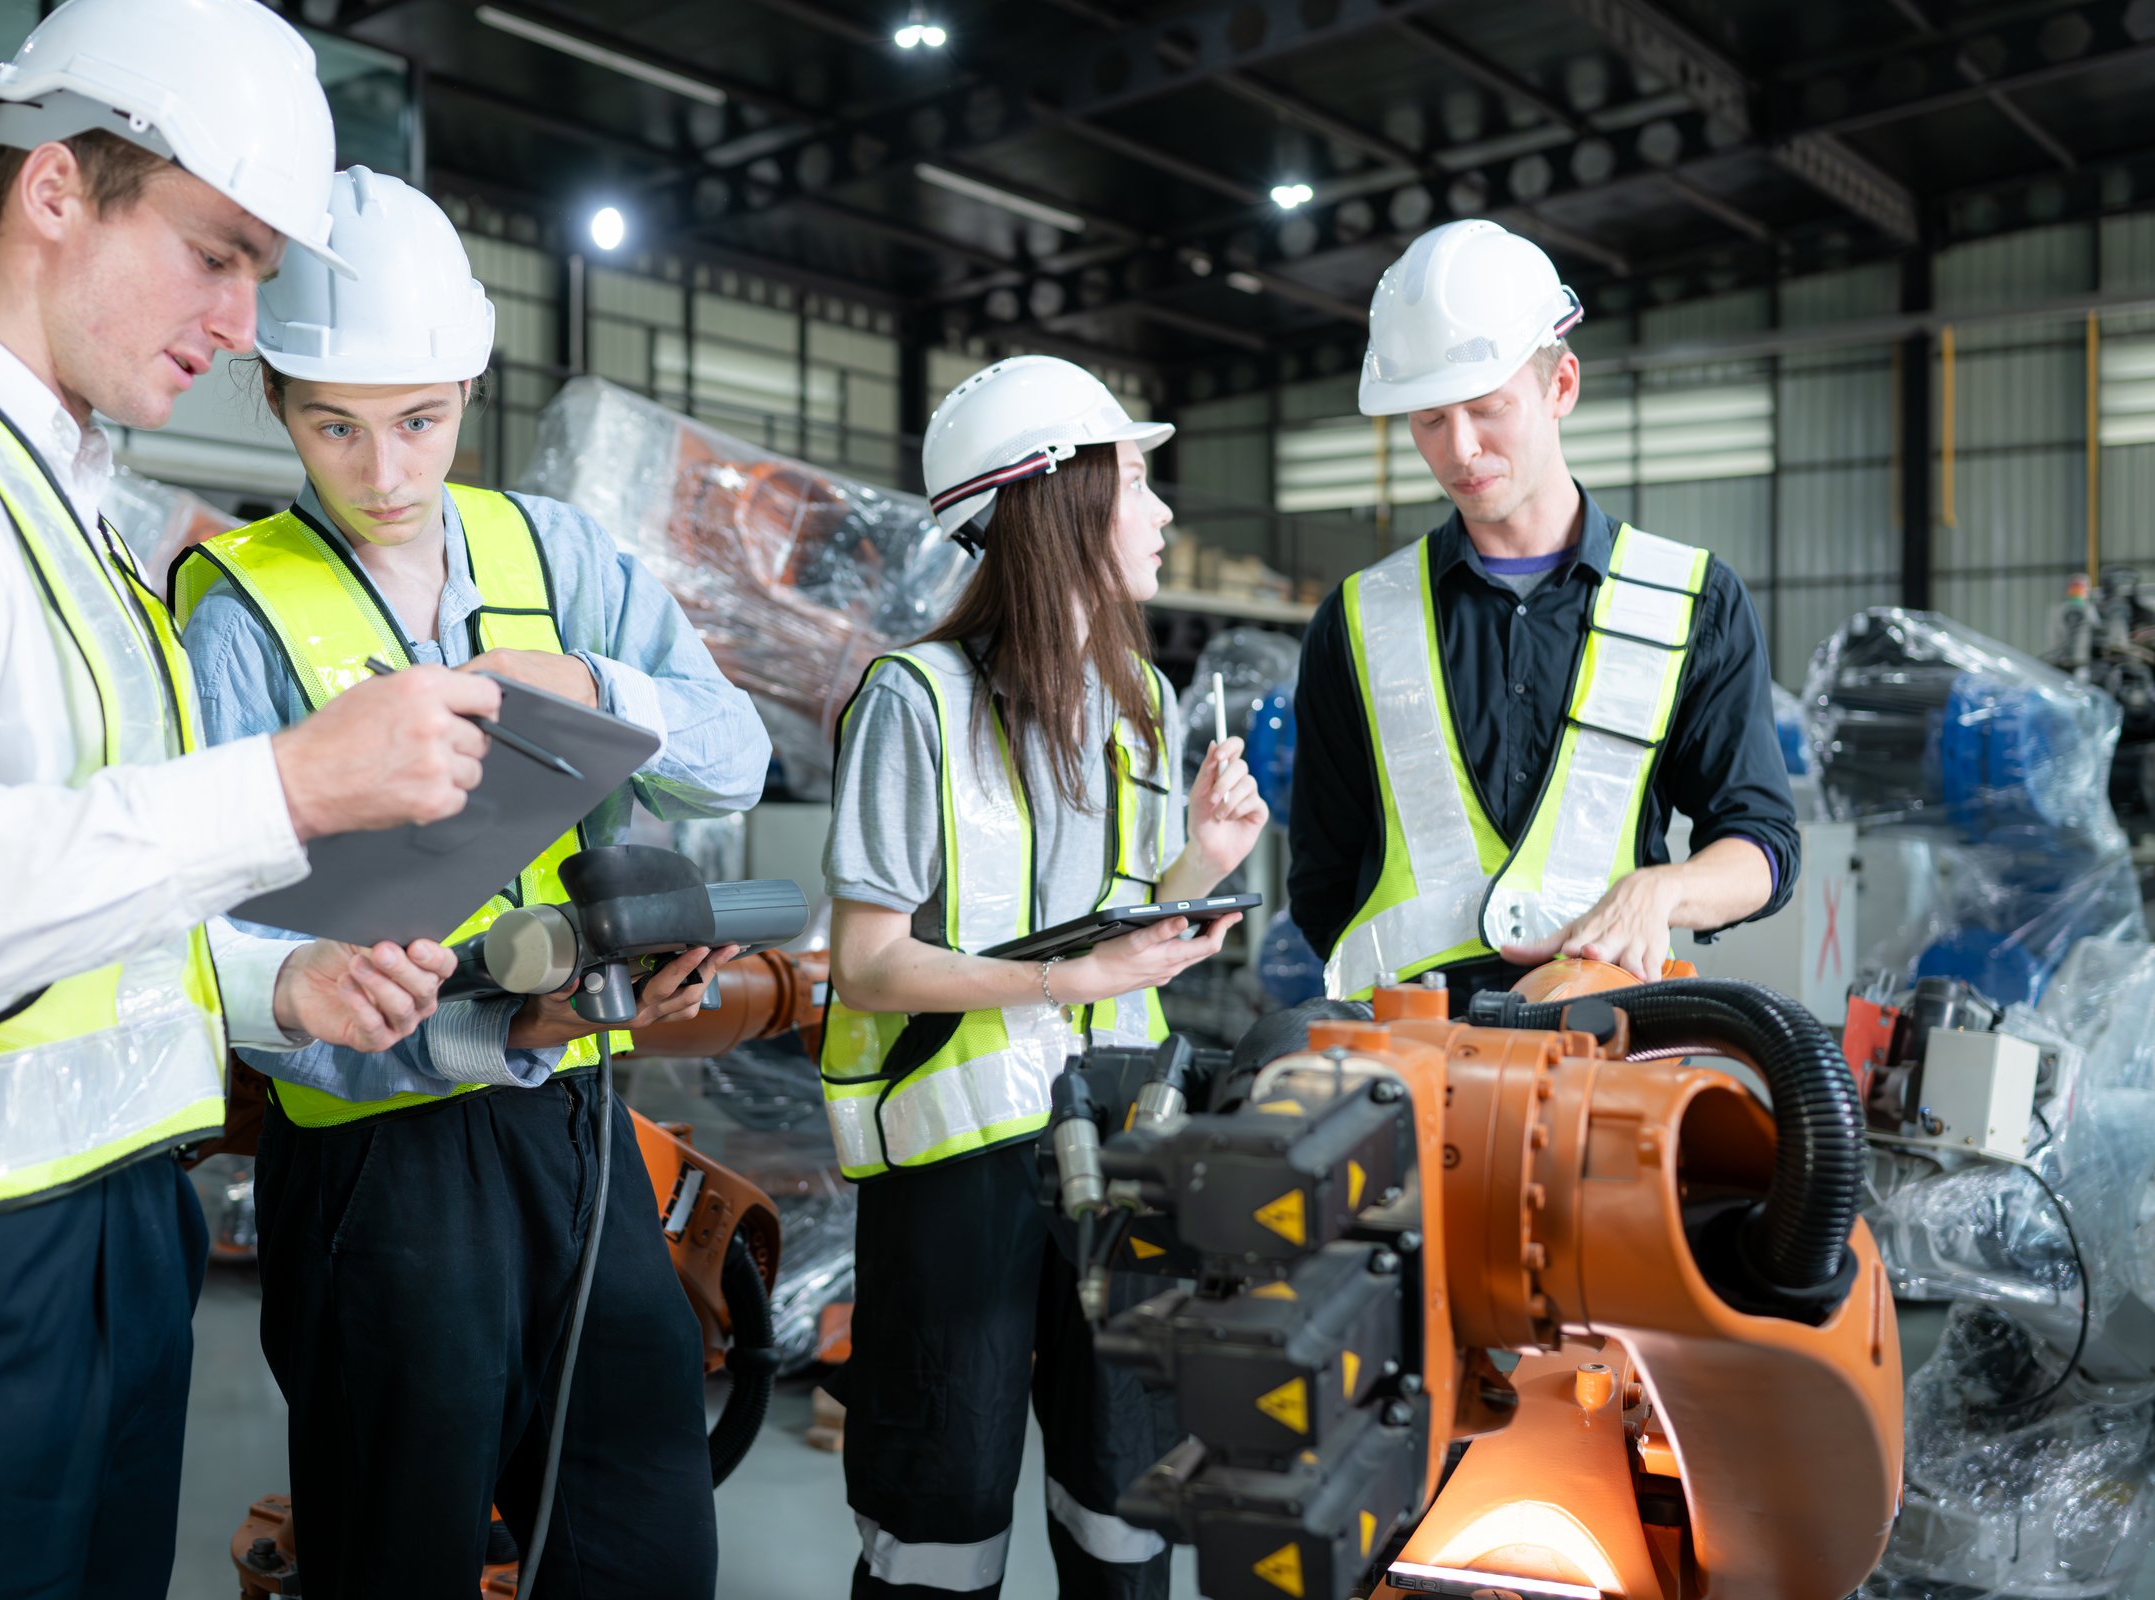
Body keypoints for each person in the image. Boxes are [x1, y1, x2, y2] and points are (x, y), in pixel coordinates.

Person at [0, 3, 500, 1595]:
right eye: (216, 254)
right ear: (52, 193)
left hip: (96, 1252)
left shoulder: (70, 517)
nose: (241, 326)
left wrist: (270, 976)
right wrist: (289, 784)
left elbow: (72, 898)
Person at [174, 166, 770, 1598]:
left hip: (574, 1132)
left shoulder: (554, 556)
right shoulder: (238, 609)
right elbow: (232, 957)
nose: (384, 472)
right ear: (273, 396)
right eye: (337, 425)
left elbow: (734, 759)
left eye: (421, 422)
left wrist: (587, 683)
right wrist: (485, 1026)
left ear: (469, 384)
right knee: (399, 1558)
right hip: (378, 1169)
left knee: (640, 1539)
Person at [819, 355, 1269, 1598]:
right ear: (1058, 500)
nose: (1165, 512)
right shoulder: (914, 701)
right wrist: (1066, 987)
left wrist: (1205, 866)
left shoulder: (1143, 702)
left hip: (1118, 1156)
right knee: (940, 1521)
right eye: (1137, 478)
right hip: (956, 1178)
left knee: (1125, 1505)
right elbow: (865, 962)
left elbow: (1123, 935)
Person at [1289, 219, 1800, 1006]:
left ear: (1560, 387)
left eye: (1487, 408)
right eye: (1429, 420)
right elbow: (1323, 882)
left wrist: (1661, 892)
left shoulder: (1691, 603)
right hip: (1405, 1056)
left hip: (1604, 1043)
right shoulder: (1357, 622)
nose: (1459, 450)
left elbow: (1763, 844)